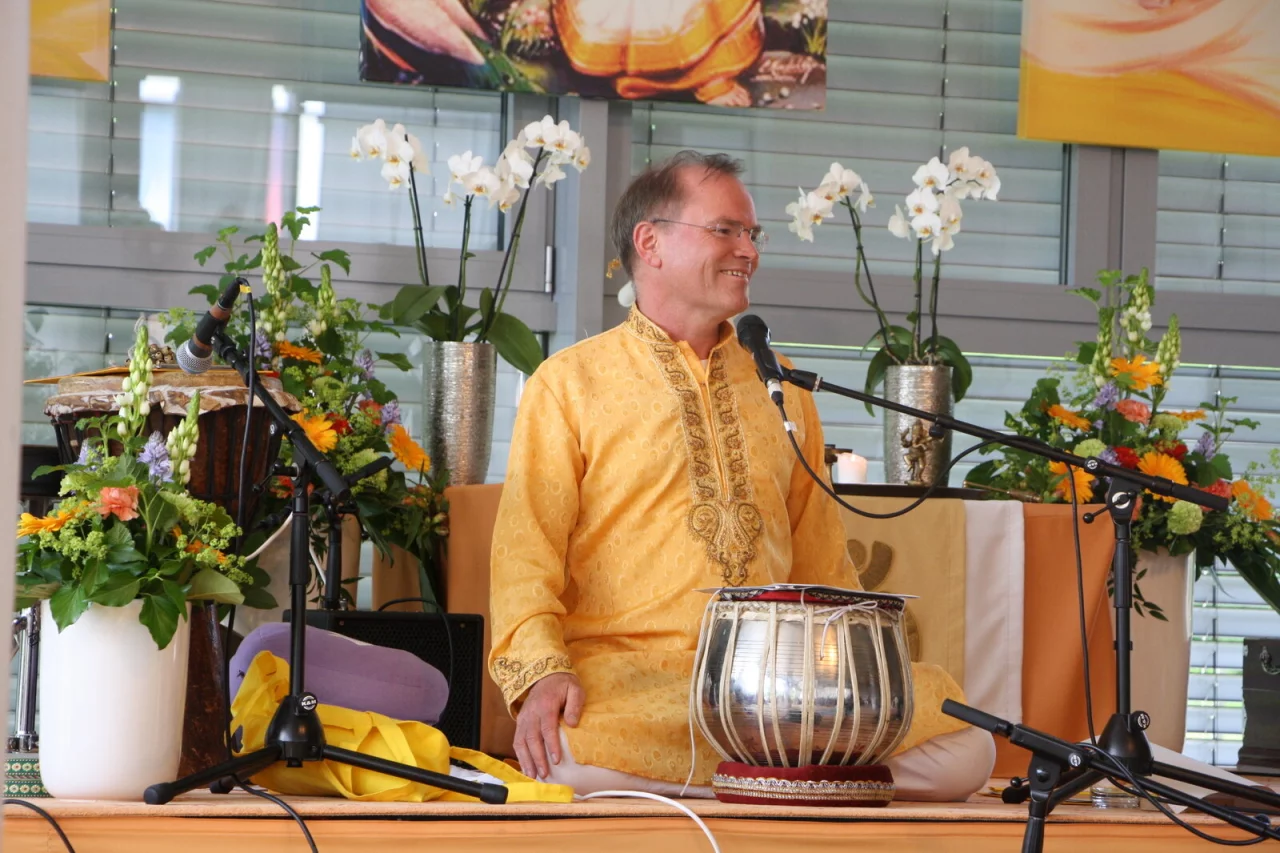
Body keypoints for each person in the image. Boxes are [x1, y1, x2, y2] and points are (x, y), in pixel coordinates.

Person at [488, 150, 995, 801]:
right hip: (641, 682)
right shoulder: (570, 383)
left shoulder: (780, 384)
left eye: (752, 234)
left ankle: (736, 784)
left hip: (781, 688)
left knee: (967, 745)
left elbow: (822, 557)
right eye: (725, 230)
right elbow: (524, 554)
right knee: (567, 752)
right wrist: (541, 672)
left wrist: (852, 679)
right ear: (651, 242)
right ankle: (792, 784)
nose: (748, 251)